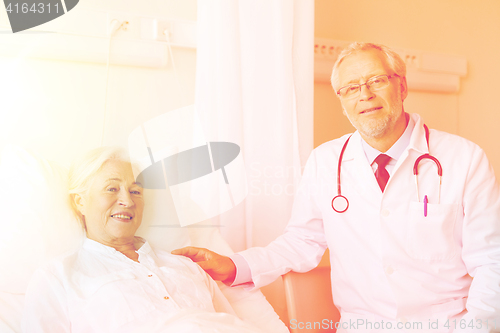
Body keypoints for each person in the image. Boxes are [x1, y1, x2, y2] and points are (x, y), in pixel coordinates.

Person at [173, 42, 500, 332]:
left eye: (376, 81)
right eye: (351, 88)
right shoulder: (325, 161)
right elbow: (302, 242)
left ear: (401, 87)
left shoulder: (464, 159)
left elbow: (491, 260)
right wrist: (234, 265)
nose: (365, 95)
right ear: (342, 100)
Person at [21, 147, 270, 333]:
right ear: (80, 201)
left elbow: (232, 323)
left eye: (135, 191)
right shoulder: (58, 278)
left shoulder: (185, 265)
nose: (127, 201)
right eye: (111, 188)